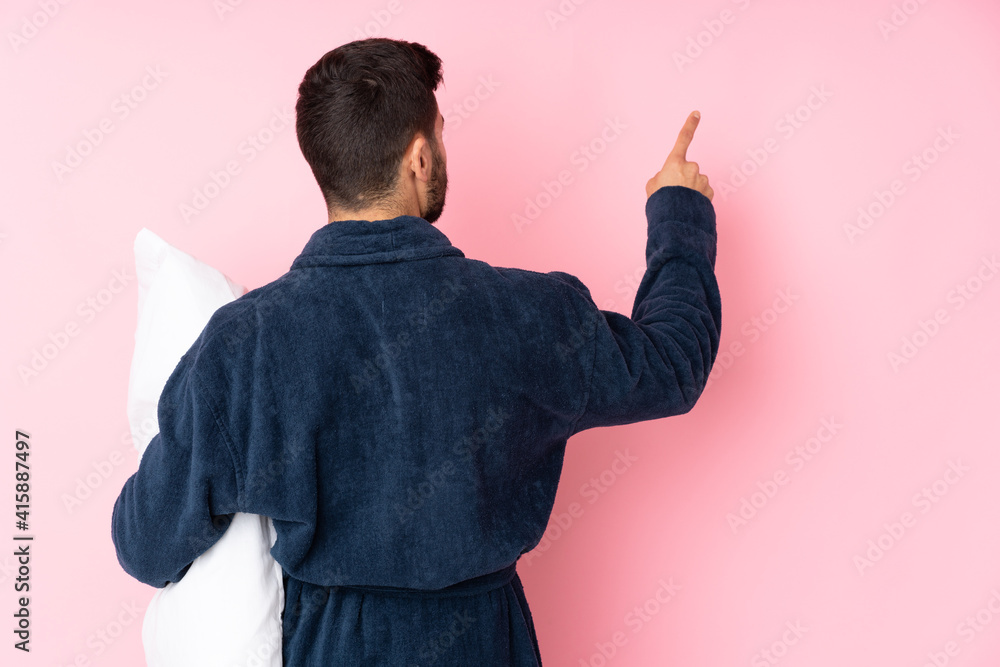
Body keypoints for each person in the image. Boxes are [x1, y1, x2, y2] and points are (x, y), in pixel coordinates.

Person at [111, 37, 720, 666]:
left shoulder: (244, 346)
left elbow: (145, 543)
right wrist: (679, 212)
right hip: (490, 643)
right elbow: (675, 361)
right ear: (420, 157)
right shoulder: (531, 313)